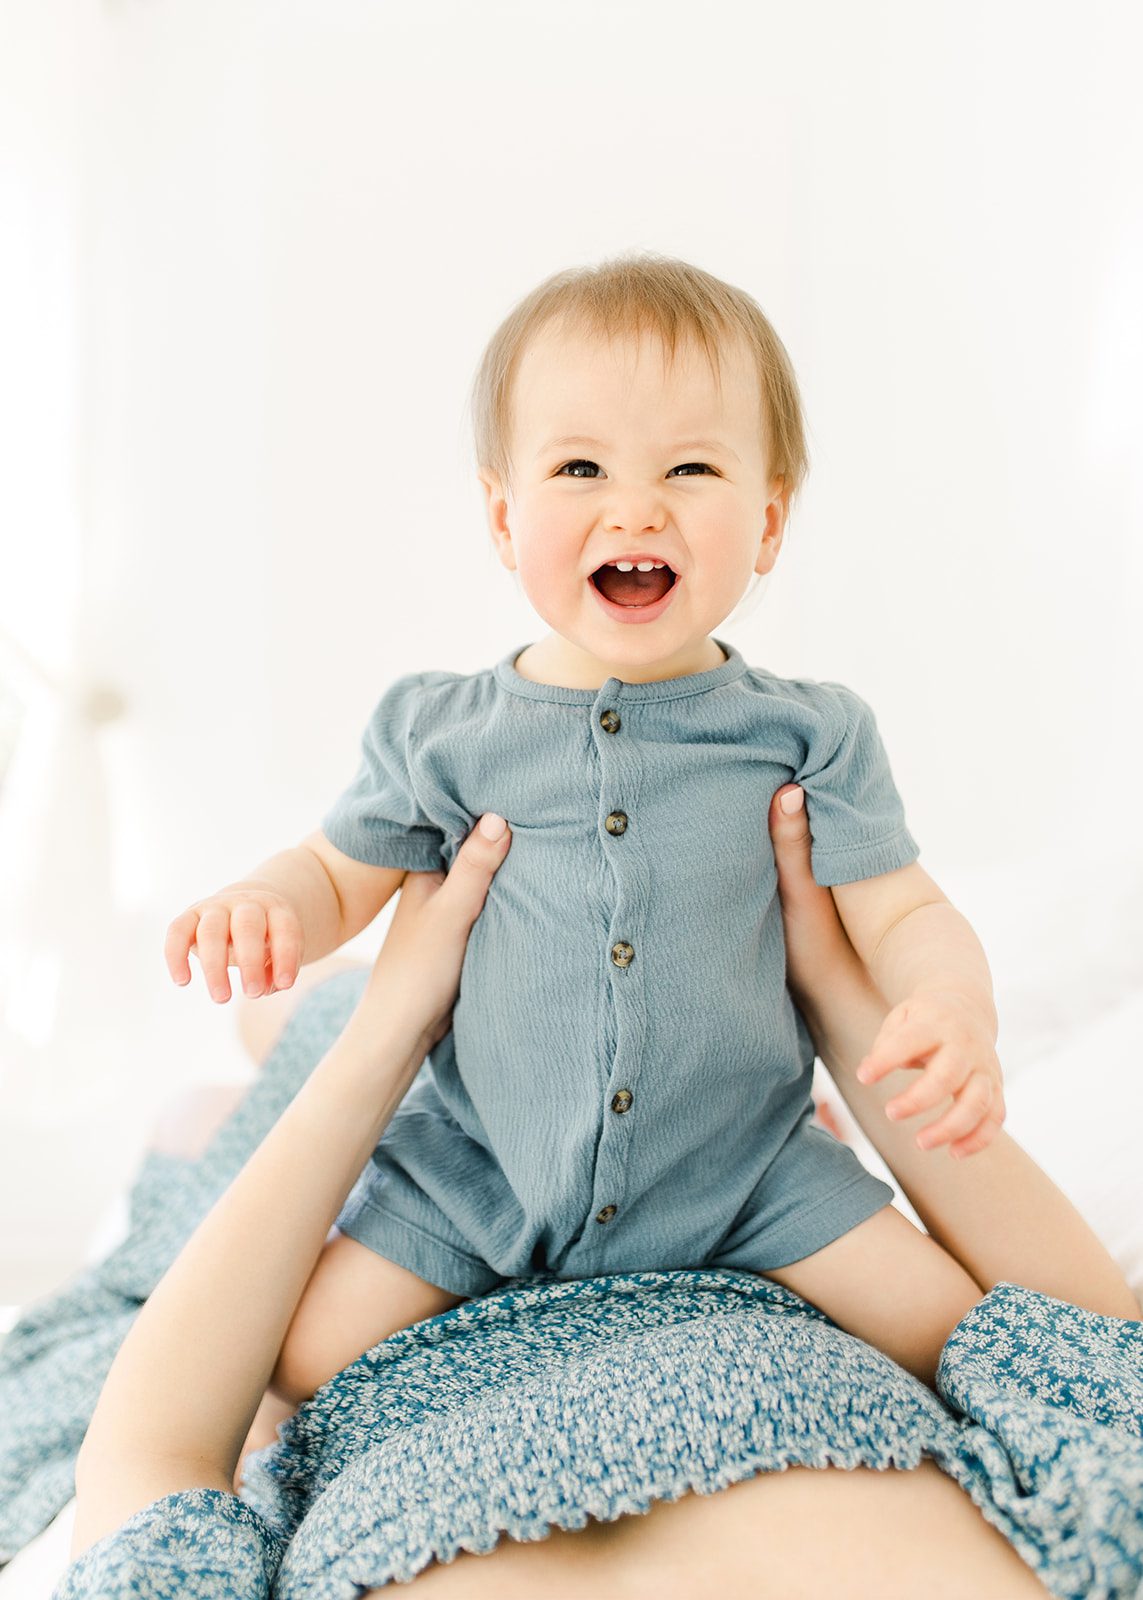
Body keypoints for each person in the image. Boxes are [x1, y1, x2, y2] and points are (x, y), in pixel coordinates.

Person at [161, 251, 1130, 1450]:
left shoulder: (807, 733)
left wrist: (954, 1006)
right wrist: (265, 904)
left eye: (691, 467)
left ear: (768, 520)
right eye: (580, 468)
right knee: (297, 1361)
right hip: (481, 1171)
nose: (636, 508)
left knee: (962, 1332)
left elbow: (903, 912)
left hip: (745, 1175)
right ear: (504, 515)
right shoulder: (442, 728)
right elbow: (333, 869)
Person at [66, 791, 1137, 1595]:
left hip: (432, 1284)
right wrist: (838, 1002)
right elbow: (1093, 1352)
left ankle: (307, 1043)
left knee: (283, 1061)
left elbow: (150, 1465)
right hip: (754, 1251)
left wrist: (390, 1031)